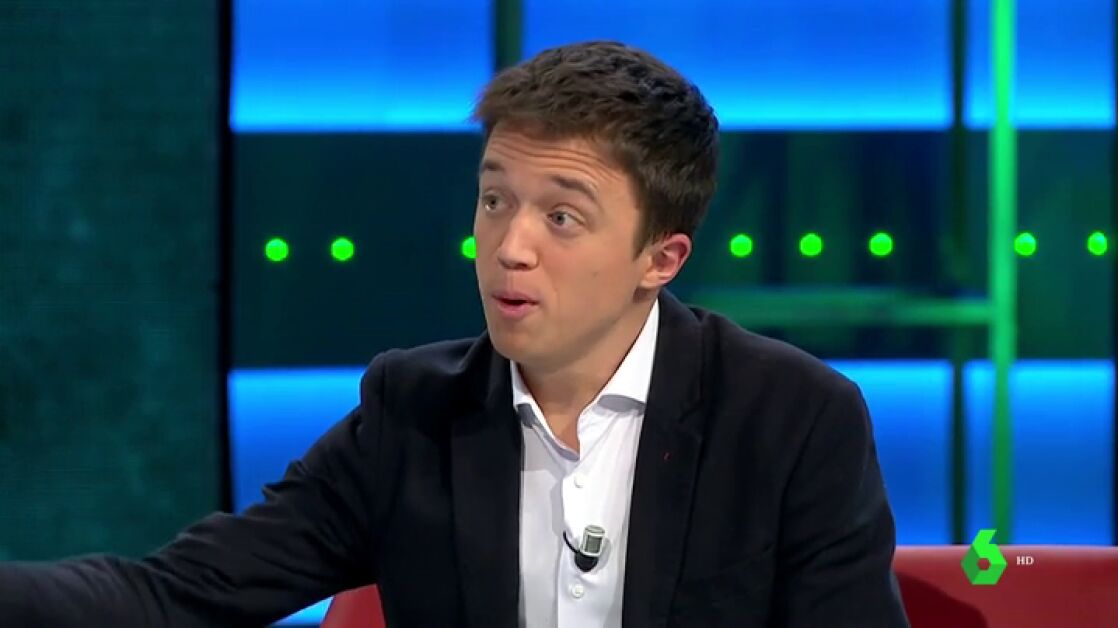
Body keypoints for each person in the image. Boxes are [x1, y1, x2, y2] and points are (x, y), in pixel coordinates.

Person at [0, 40, 909, 627]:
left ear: (659, 258)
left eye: (561, 216)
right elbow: (175, 597)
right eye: (495, 199)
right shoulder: (412, 415)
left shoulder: (792, 420)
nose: (508, 247)